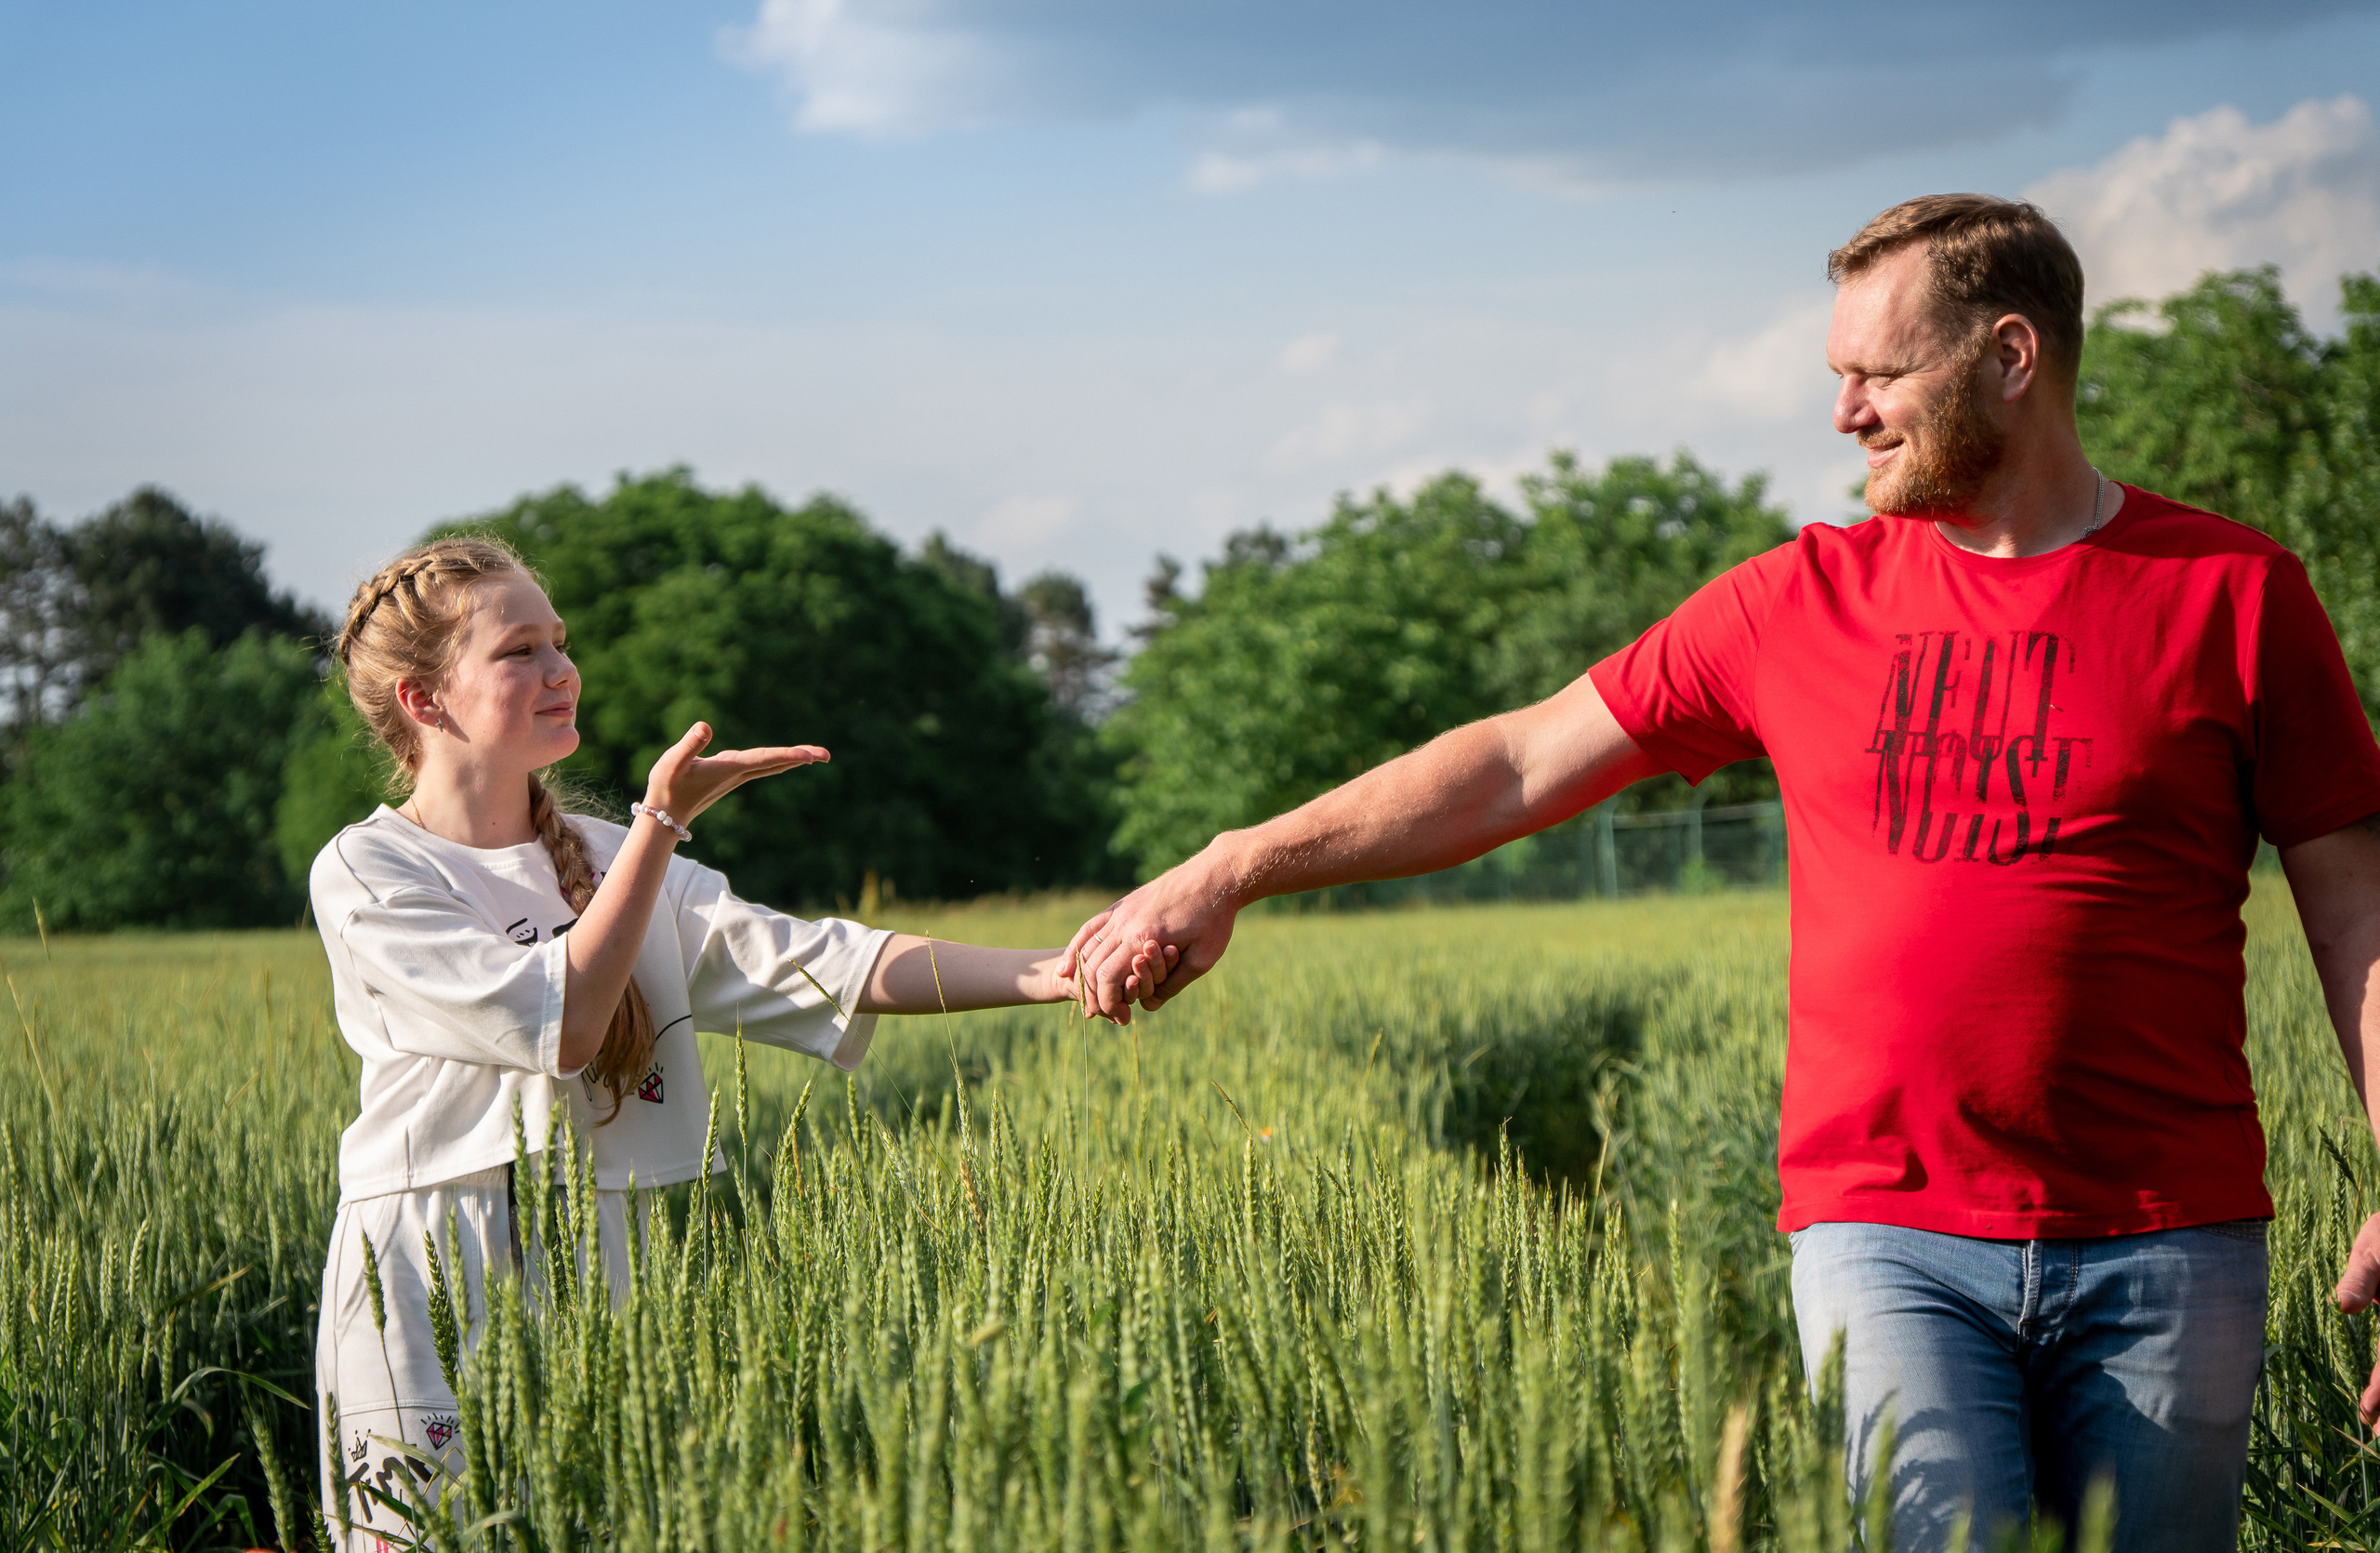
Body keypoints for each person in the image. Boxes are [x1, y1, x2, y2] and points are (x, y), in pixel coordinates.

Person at [1070, 194, 2380, 1550]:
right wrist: (1234, 863)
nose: (1847, 413)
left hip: (2168, 1236)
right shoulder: (1791, 604)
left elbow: (2354, 911)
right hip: (1888, 1231)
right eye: (1838, 378)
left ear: (2010, 356)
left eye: (1880, 373)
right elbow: (1520, 760)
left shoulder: (2233, 592)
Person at [312, 537, 1129, 1547]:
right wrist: (661, 821)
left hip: (601, 1243)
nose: (561, 669)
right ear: (423, 701)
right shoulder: (370, 869)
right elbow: (560, 1021)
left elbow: (820, 959)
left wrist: (1051, 968)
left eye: (559, 641)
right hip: (433, 1259)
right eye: (520, 650)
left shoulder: (610, 854)